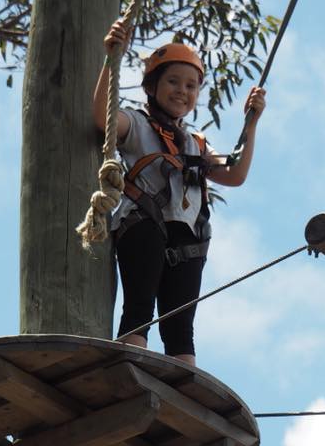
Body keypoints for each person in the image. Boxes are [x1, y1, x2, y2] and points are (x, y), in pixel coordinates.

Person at [93, 19, 266, 367]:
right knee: (139, 308)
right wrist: (111, 60)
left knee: (180, 327)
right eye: (172, 82)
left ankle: (184, 387)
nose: (181, 91)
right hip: (144, 225)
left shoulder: (196, 142)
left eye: (191, 86)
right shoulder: (137, 123)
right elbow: (102, 118)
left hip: (187, 238)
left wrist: (251, 124)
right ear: (153, 86)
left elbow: (235, 174)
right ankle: (128, 367)